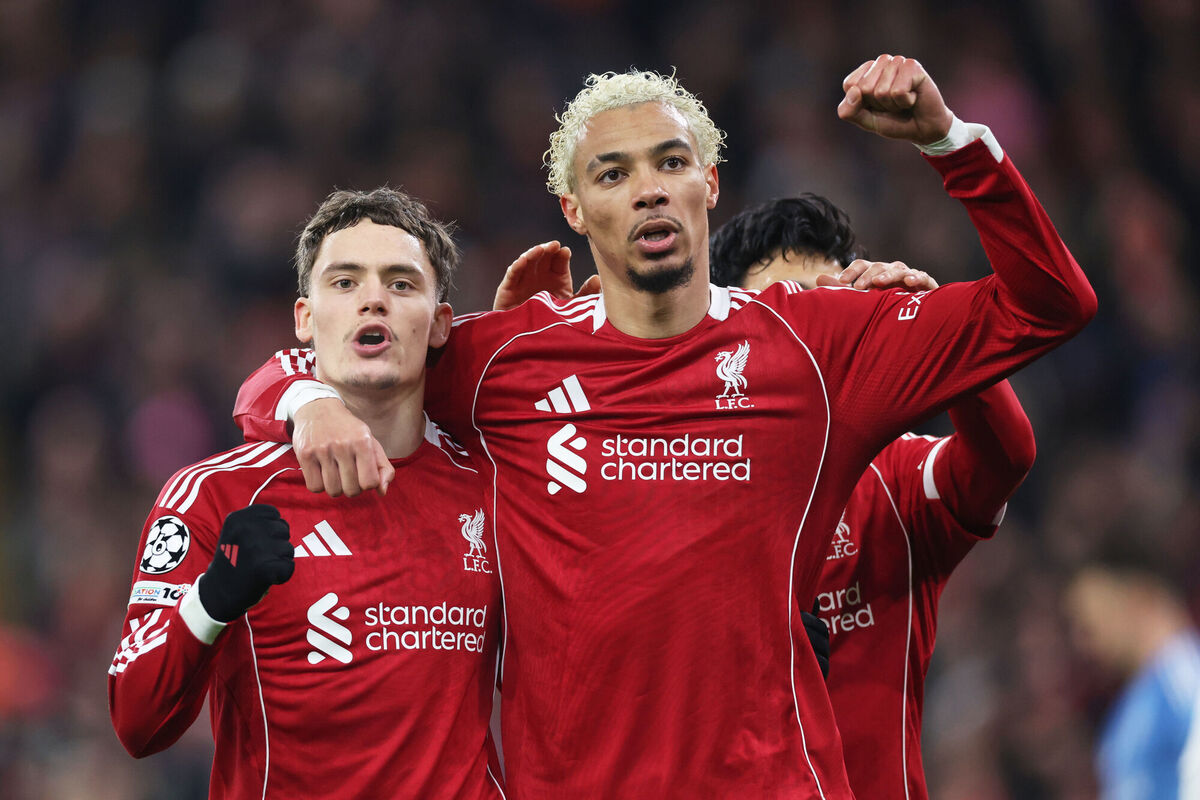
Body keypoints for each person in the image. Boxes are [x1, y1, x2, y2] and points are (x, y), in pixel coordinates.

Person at [234, 55, 1096, 797]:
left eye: (671, 161)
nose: (648, 187)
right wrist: (304, 404)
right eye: (612, 174)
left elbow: (1051, 305)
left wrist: (949, 142)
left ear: (708, 184)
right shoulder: (505, 360)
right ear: (575, 209)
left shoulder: (813, 345)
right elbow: (325, 364)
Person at [108, 188, 505, 799]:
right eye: (344, 283)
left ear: (440, 324)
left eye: (401, 284)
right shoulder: (218, 494)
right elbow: (136, 721)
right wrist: (213, 600)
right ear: (304, 319)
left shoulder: (494, 489)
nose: (373, 298)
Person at [710, 194, 1036, 800]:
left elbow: (1006, 456)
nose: (806, 337)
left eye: (822, 306)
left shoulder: (900, 476)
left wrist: (942, 334)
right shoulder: (683, 481)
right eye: (783, 311)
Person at [1067, 550, 1200, 800]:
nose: (1082, 642)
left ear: (1139, 597)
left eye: (1091, 621)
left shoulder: (1184, 683)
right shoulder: (1129, 712)